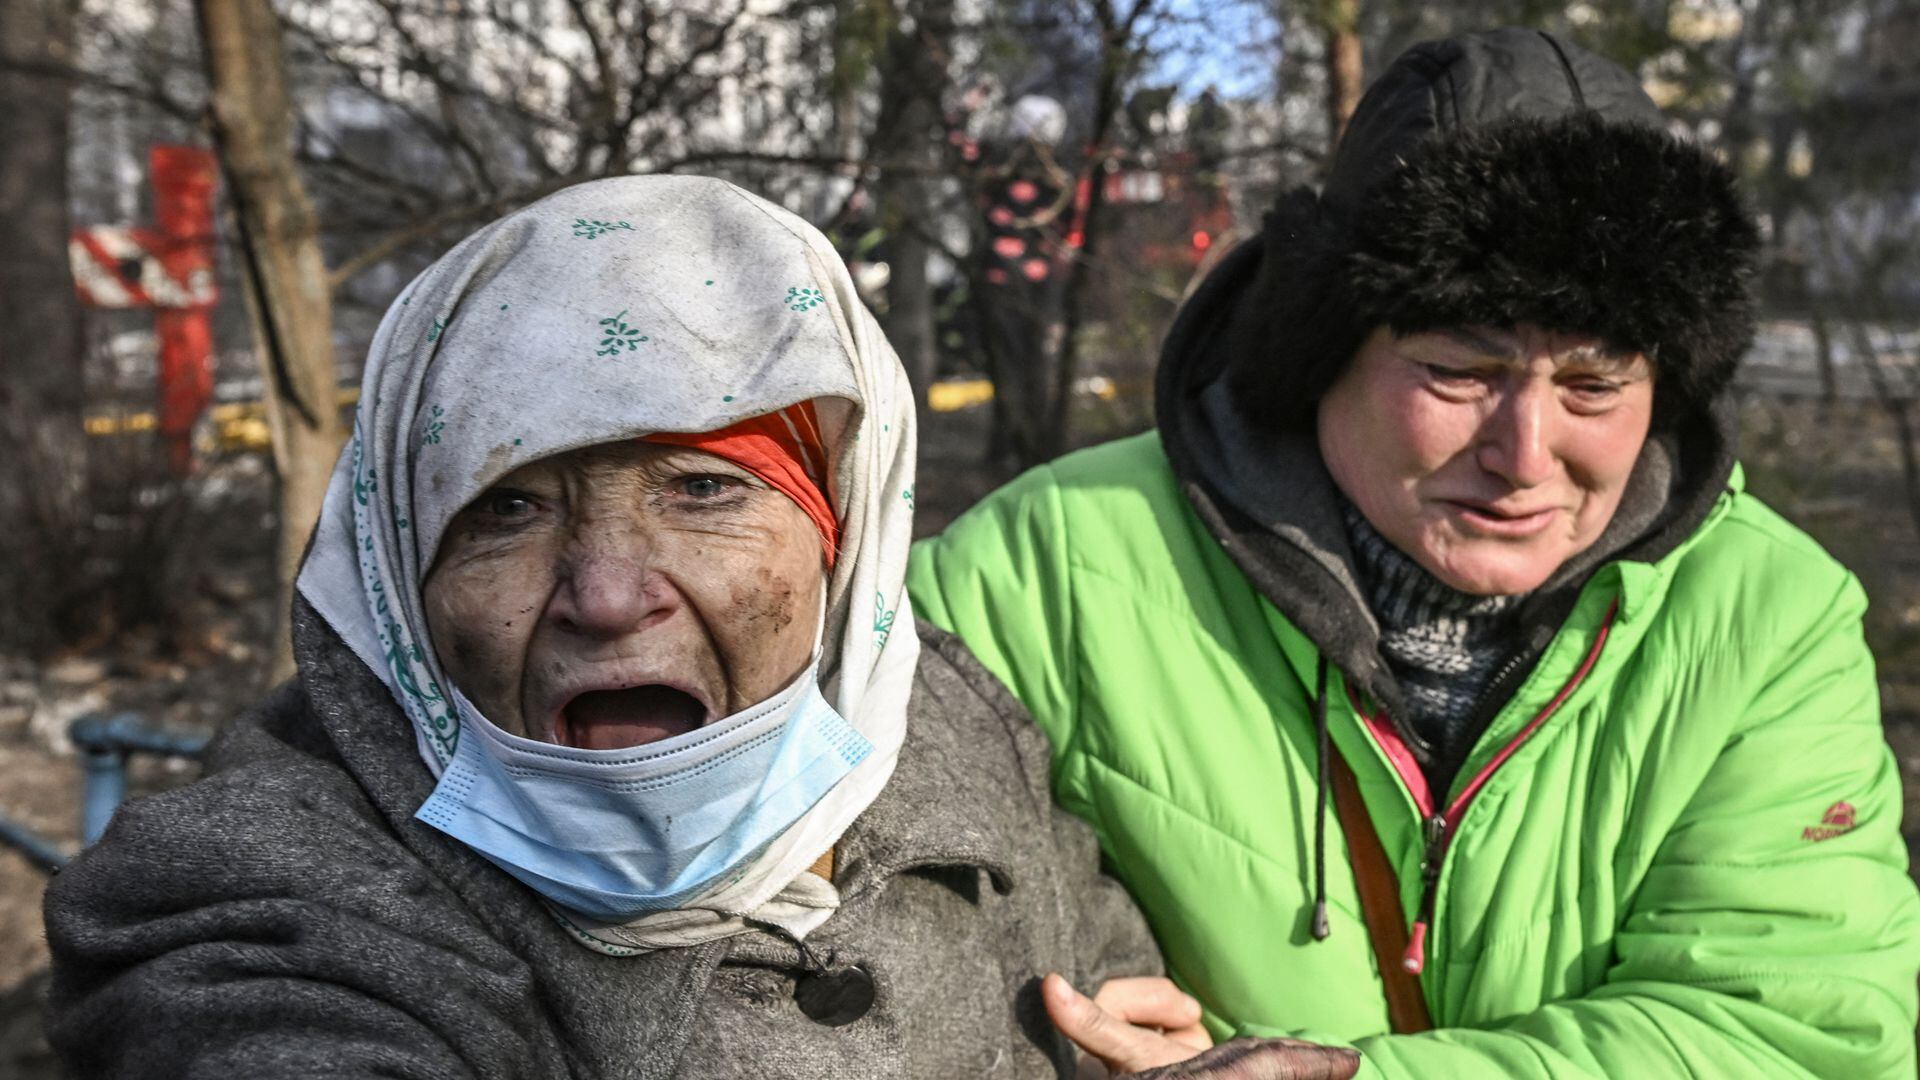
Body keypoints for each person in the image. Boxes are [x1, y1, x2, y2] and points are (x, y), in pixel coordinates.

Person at [910, 27, 1920, 1078]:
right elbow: (816, 898)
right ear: (1321, 348)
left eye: (1593, 385)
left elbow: (1795, 1033)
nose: (1524, 455)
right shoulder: (1043, 574)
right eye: (1457, 371)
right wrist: (1051, 1018)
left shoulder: (1770, 619)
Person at [41, 175, 1183, 1079]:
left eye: (700, 489)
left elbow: (1101, 961)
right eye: (509, 510)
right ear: (401, 571)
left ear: (842, 527)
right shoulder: (270, 894)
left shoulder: (942, 724)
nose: (604, 593)